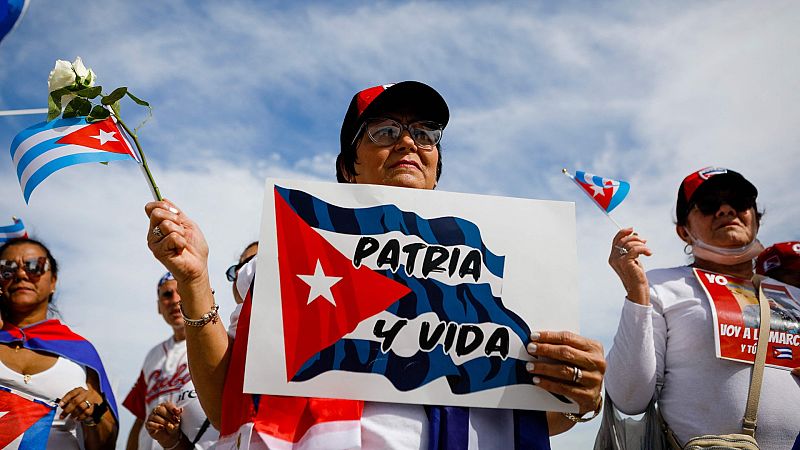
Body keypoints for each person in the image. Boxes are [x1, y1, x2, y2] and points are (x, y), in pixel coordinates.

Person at [145, 81, 605, 449]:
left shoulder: (503, 264)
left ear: (437, 164)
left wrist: (577, 397)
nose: (409, 141)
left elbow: (531, 416)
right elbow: (228, 408)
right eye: (384, 131)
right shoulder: (293, 260)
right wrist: (195, 280)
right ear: (349, 168)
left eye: (425, 133)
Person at [605, 167, 800, 448]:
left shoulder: (793, 295)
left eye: (740, 201)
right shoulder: (660, 285)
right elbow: (629, 398)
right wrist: (637, 294)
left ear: (755, 218)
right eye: (708, 204)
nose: (725, 209)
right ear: (683, 231)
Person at [0, 237, 118, 449]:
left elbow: (105, 444)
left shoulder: (81, 351)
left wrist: (92, 414)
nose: (20, 274)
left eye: (34, 266)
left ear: (53, 281)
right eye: (7, 268)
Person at [123, 272, 218, 449]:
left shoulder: (215, 342)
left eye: (180, 291)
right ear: (159, 307)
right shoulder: (153, 356)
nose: (174, 300)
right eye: (167, 294)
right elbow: (140, 417)